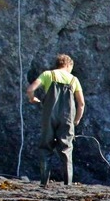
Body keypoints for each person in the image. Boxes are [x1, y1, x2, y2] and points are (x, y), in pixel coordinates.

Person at [26, 54, 85, 186]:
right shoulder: (73, 80)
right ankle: (67, 183)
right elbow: (81, 104)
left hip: (49, 117)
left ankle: (44, 182)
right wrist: (77, 119)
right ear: (69, 65)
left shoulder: (48, 75)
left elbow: (30, 89)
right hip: (67, 118)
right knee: (66, 149)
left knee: (45, 148)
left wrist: (32, 98)